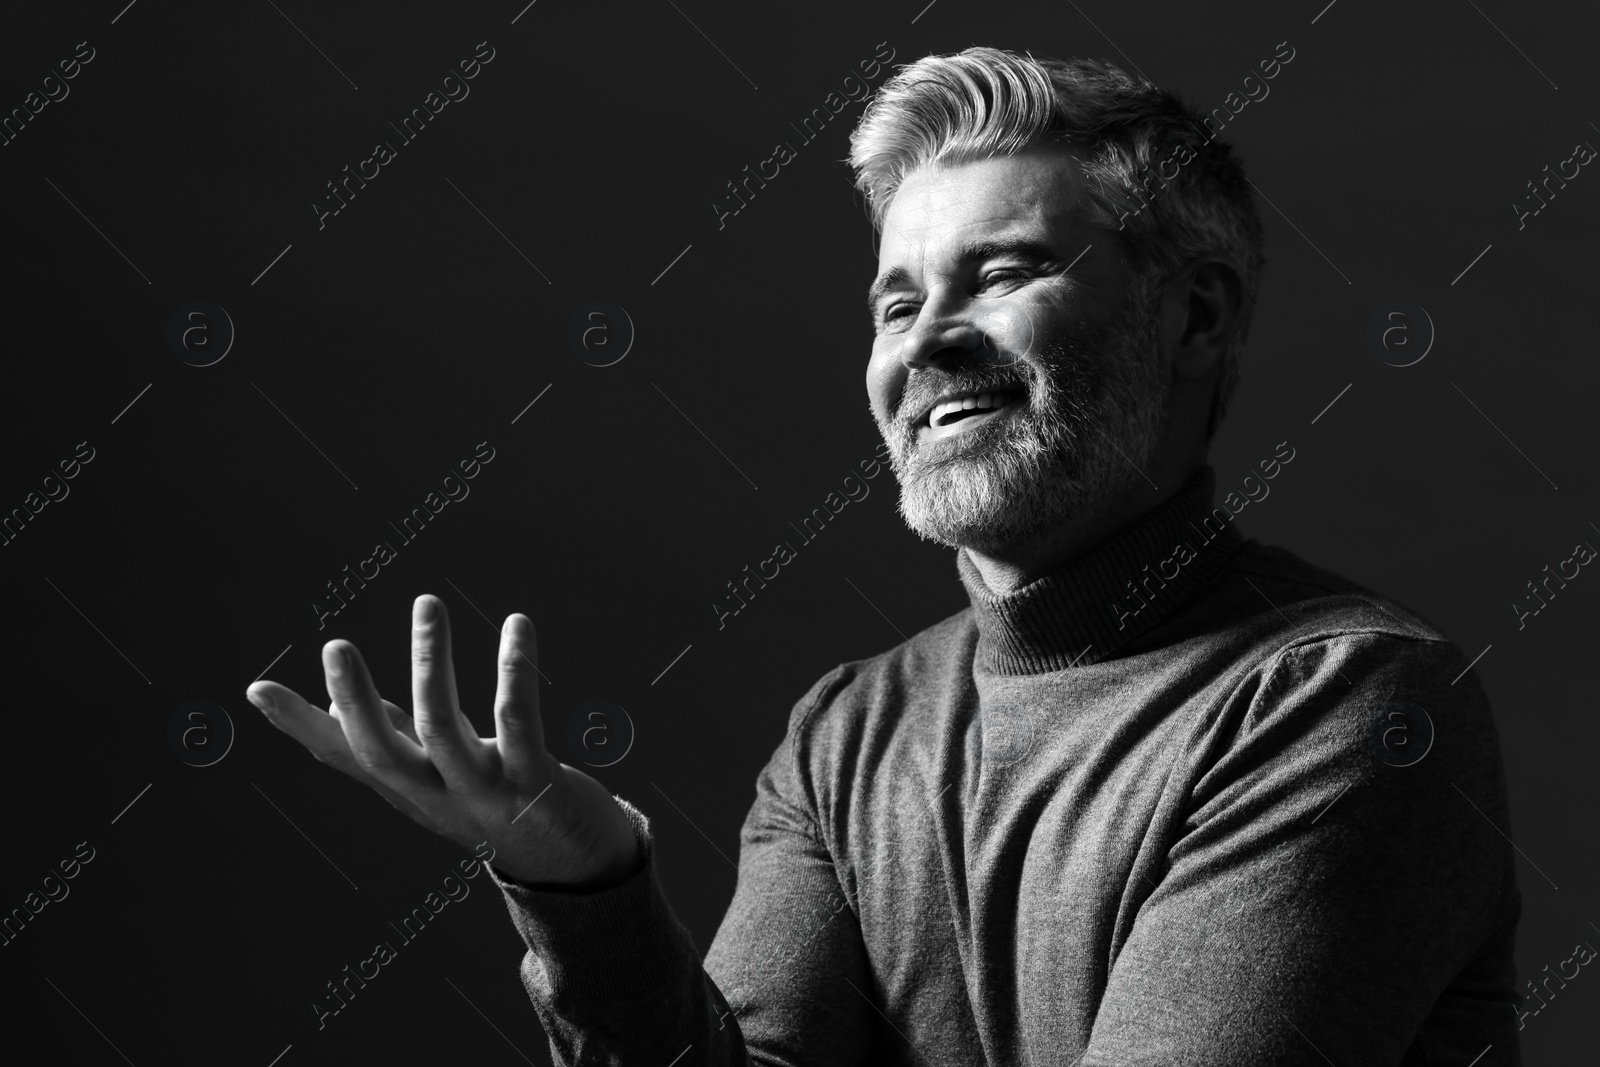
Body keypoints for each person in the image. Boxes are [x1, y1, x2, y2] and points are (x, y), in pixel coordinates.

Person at [249, 47, 1522, 1065]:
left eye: (1004, 273)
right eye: (899, 301)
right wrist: (582, 889)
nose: (928, 344)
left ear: (1192, 315)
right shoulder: (847, 731)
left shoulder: (1344, 701)